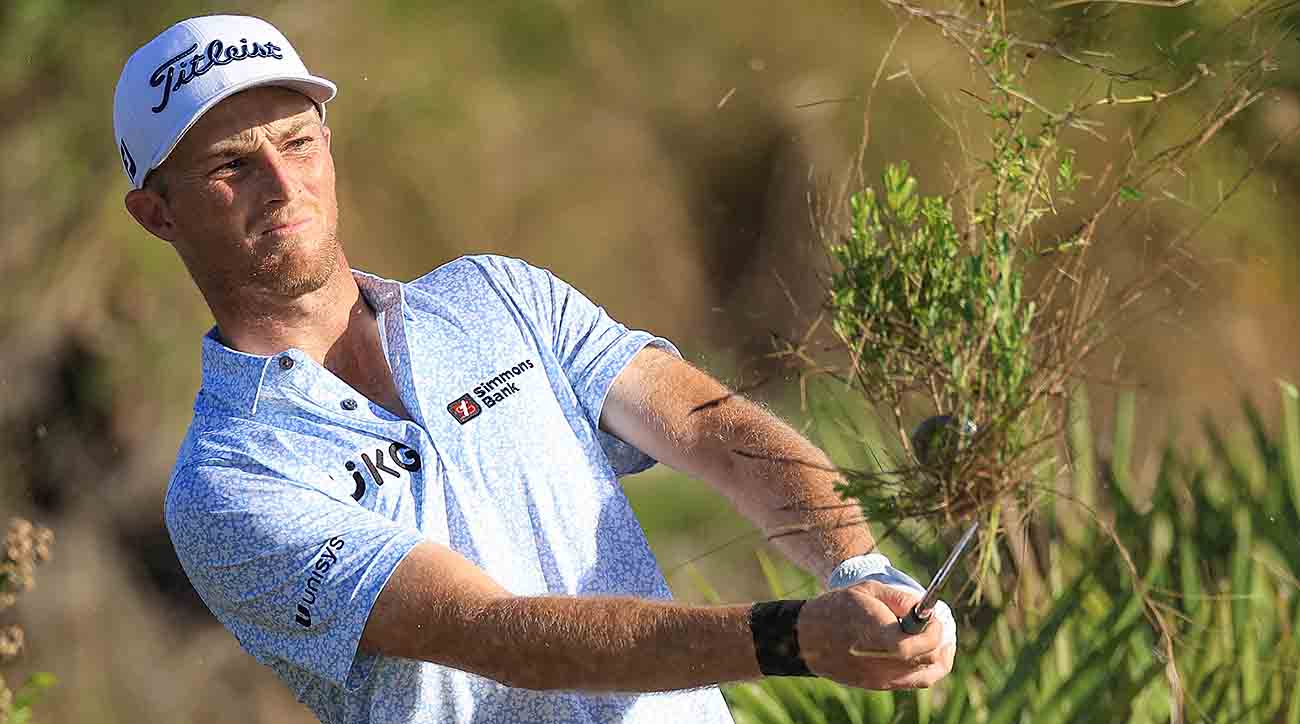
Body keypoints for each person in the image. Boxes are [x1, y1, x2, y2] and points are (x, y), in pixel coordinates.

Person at [115, 14, 956, 724]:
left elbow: (709, 427)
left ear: (327, 146)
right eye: (231, 165)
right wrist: (790, 637)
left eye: (298, 143)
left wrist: (859, 568)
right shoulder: (227, 481)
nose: (282, 183)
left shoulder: (496, 295)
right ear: (156, 214)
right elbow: (493, 632)